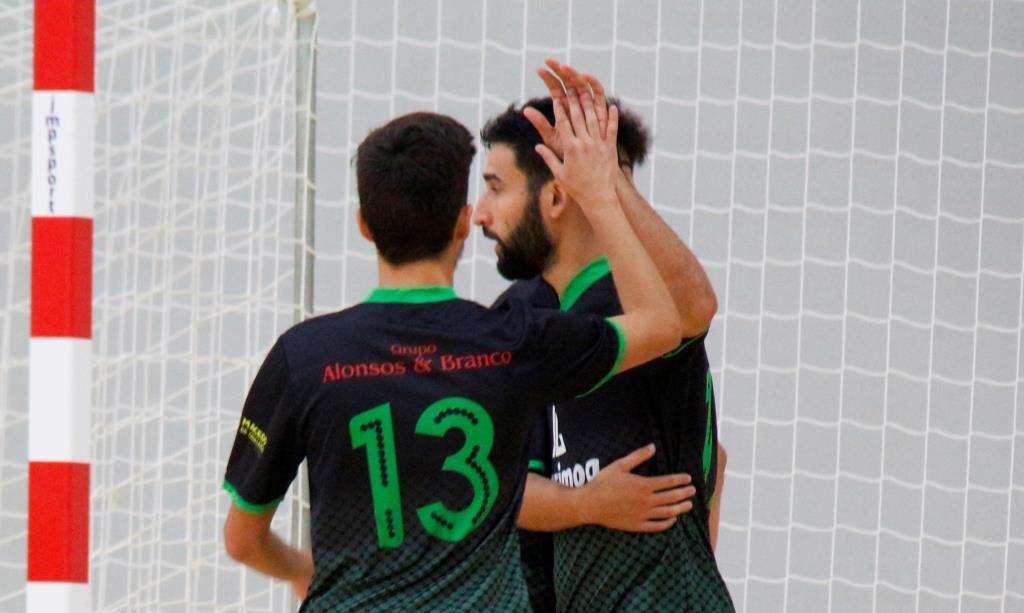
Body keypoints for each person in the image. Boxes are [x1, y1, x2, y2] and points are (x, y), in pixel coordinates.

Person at [221, 90, 685, 610]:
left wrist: (301, 569)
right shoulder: (514, 340)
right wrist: (601, 193)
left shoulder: (302, 357)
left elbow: (242, 539)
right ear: (464, 222)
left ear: (363, 225)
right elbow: (664, 324)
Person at [475, 60, 733, 611]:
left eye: (496, 188)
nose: (479, 214)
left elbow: (696, 308)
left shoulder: (639, 300)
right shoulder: (535, 316)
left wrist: (608, 181)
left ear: (559, 196)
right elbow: (497, 487)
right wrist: (585, 503)